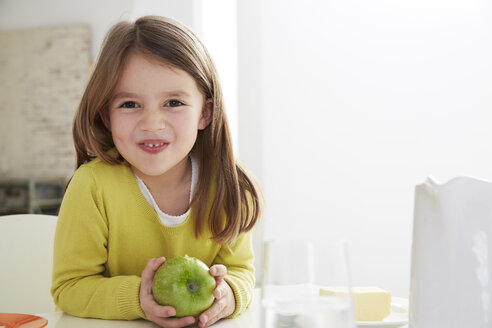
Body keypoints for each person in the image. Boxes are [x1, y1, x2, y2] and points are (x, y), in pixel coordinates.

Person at [51, 15, 262, 328]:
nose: (151, 123)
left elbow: (241, 272)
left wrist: (228, 294)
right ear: (106, 115)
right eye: (130, 105)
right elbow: (69, 288)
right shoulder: (92, 186)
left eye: (173, 102)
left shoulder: (229, 188)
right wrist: (139, 297)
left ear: (205, 112)